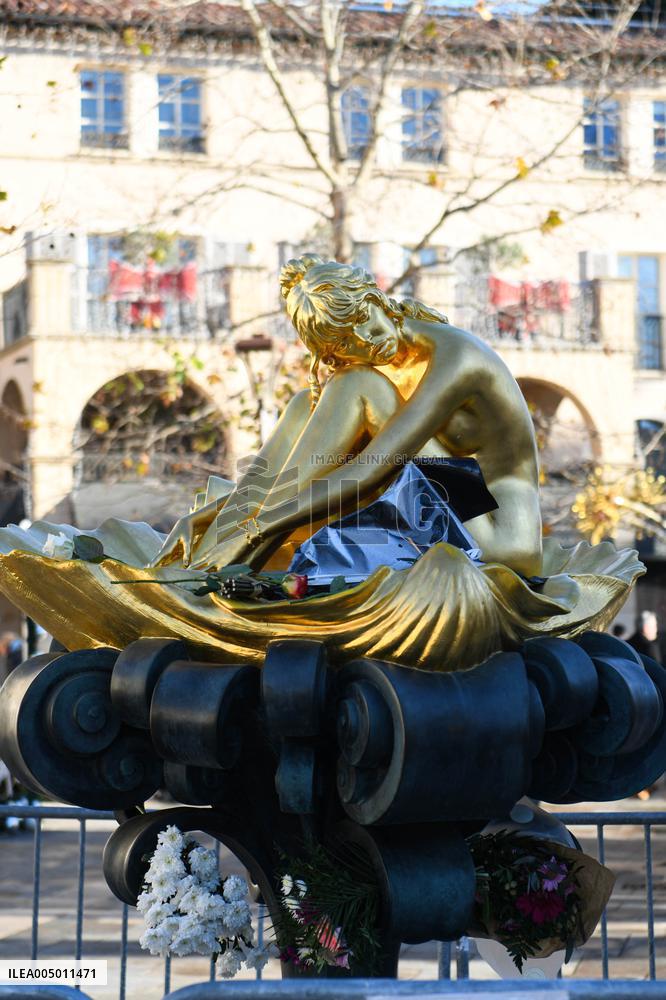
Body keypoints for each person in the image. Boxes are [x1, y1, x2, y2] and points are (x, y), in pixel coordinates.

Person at [152, 254, 542, 576]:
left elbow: (370, 469)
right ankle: (217, 544)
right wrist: (214, 514)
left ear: (374, 300)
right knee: (305, 403)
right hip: (440, 508)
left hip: (496, 535)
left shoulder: (457, 357)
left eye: (360, 321)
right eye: (343, 343)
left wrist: (259, 528)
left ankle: (232, 553)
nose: (366, 343)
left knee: (356, 385)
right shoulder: (382, 359)